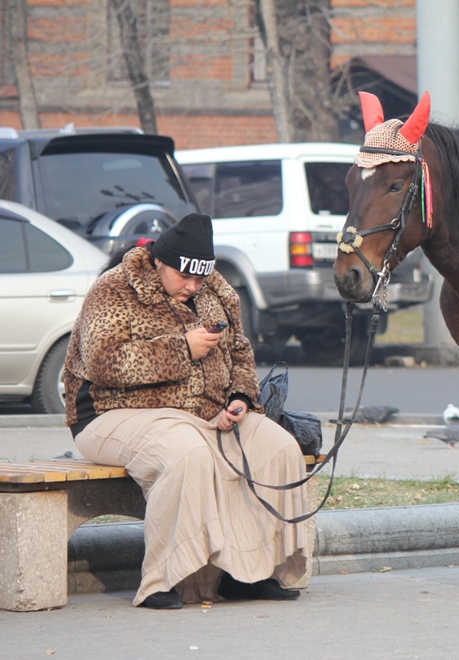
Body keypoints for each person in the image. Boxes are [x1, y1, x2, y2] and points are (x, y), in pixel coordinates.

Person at [63, 213, 310, 610]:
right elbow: (102, 363)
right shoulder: (114, 288)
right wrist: (182, 349)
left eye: (200, 278)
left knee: (278, 448)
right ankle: (164, 579)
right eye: (184, 277)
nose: (193, 286)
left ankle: (245, 573)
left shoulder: (216, 292)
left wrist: (240, 400)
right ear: (161, 260)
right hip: (110, 414)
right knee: (187, 452)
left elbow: (242, 356)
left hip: (202, 416)